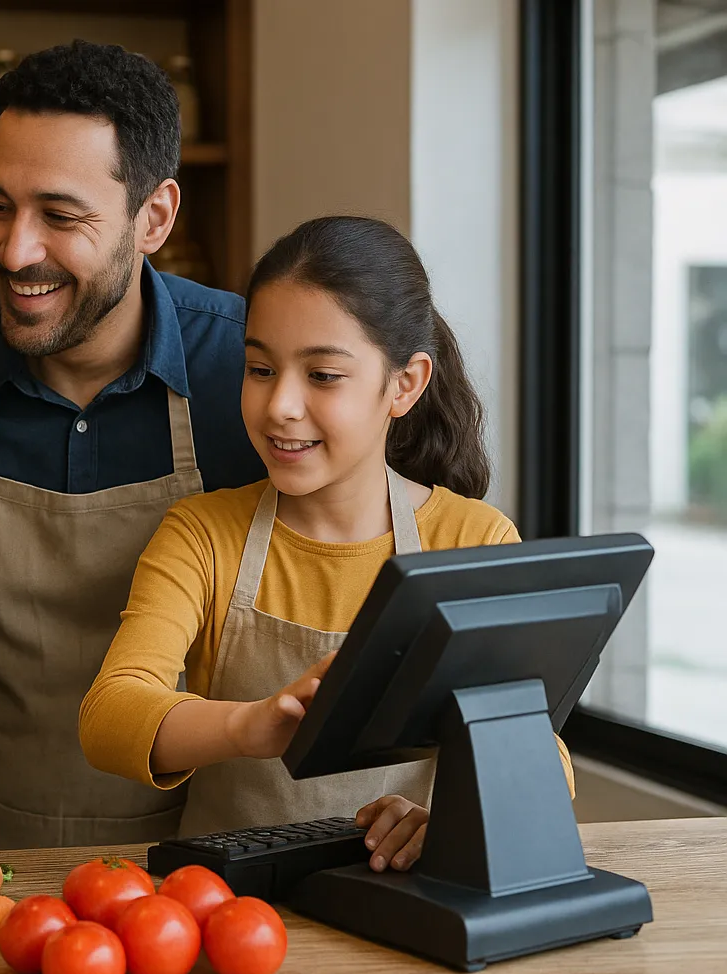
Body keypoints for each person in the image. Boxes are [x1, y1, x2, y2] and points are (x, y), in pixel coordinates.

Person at [79, 216, 576, 871]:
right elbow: (110, 716)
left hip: (406, 911)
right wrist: (246, 726)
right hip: (232, 915)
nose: (280, 404)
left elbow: (541, 755)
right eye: (260, 368)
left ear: (405, 384)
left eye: (322, 375)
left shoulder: (473, 539)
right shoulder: (202, 535)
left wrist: (457, 817)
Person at [0, 41, 265, 848]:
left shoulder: (252, 375)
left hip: (203, 869)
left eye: (59, 215)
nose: (16, 251)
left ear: (154, 217)